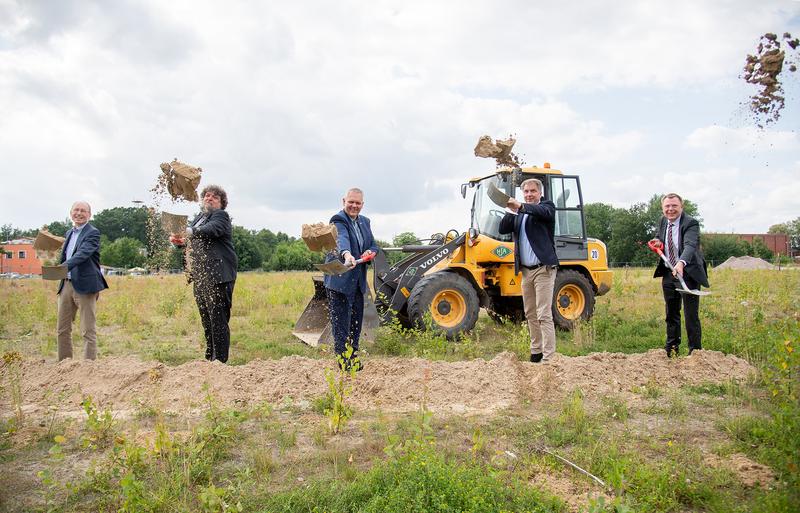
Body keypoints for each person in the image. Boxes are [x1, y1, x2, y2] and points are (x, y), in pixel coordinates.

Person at [171, 185, 238, 363]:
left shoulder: (220, 216)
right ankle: (210, 358)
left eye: (215, 197)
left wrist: (189, 231)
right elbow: (190, 241)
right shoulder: (199, 218)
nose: (209, 198)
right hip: (201, 276)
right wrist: (179, 241)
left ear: (221, 202)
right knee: (207, 319)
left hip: (218, 275)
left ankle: (220, 362)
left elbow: (212, 230)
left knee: (218, 319)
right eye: (207, 196)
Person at [498, 178, 558, 363]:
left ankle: (549, 358)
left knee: (543, 314)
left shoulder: (546, 207)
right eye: (526, 192)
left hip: (543, 269)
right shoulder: (519, 214)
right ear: (522, 193)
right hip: (526, 271)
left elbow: (542, 212)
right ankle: (536, 353)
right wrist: (510, 209)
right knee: (530, 313)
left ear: (539, 193)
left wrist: (521, 206)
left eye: (533, 191)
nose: (529, 194)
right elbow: (502, 228)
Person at [324, 188, 378, 371]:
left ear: (362, 204)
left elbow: (372, 243)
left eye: (358, 203)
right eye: (351, 202)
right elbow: (342, 239)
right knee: (341, 323)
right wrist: (347, 255)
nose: (354, 206)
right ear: (343, 201)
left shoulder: (365, 222)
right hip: (339, 280)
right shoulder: (338, 220)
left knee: (356, 321)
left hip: (357, 281)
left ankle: (353, 357)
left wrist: (371, 251)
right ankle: (343, 361)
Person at [652, 193, 709, 357]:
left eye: (674, 206)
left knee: (691, 315)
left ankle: (695, 353)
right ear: (663, 208)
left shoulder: (690, 223)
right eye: (667, 206)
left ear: (681, 207)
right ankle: (672, 349)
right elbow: (660, 237)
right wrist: (657, 241)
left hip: (688, 273)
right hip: (669, 272)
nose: (670, 210)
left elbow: (690, 245)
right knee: (671, 313)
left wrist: (681, 263)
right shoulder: (664, 221)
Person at [56, 201, 109, 361]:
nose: (79, 213)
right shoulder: (69, 233)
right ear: (71, 212)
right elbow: (66, 255)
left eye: (83, 211)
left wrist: (62, 267)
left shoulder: (92, 233)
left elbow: (83, 254)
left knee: (87, 329)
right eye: (76, 210)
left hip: (85, 286)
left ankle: (88, 366)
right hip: (66, 283)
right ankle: (64, 364)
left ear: (89, 215)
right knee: (62, 328)